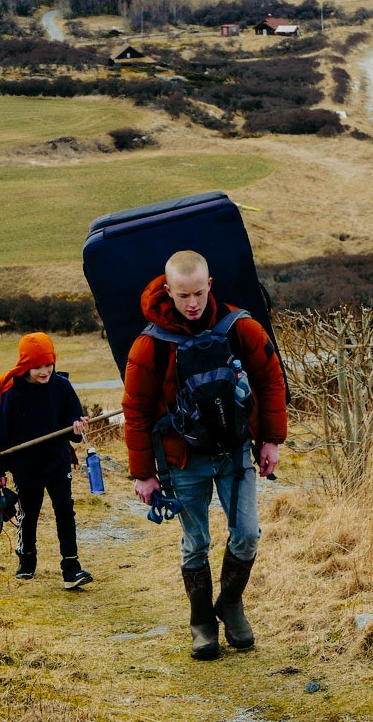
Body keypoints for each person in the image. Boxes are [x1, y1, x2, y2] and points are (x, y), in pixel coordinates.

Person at [122, 250, 287, 660]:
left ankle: (230, 604)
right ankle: (201, 623)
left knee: (247, 534)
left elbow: (270, 377)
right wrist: (144, 474)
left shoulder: (239, 327)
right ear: (168, 291)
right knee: (196, 543)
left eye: (198, 293)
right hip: (182, 459)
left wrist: (271, 439)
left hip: (235, 450)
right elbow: (136, 411)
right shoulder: (149, 346)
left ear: (209, 284)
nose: (192, 303)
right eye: (183, 295)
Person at [0, 332, 93, 590]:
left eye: (48, 364)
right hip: (26, 465)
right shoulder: (12, 394)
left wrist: (77, 427)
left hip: (57, 460)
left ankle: (71, 567)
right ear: (25, 366)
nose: (44, 371)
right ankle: (26, 559)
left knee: (65, 509)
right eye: (37, 367)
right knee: (28, 513)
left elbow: (73, 419)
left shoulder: (62, 386)